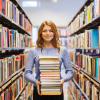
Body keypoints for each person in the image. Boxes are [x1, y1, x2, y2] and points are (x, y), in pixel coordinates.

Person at [24, 20, 74, 100]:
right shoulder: (33, 51)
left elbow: (70, 72)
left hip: (57, 90)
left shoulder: (62, 50)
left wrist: (63, 80)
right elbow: (27, 73)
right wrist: (36, 81)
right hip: (39, 90)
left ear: (54, 33)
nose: (48, 33)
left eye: (51, 31)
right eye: (45, 31)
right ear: (40, 33)